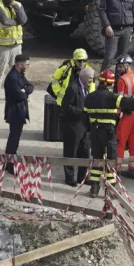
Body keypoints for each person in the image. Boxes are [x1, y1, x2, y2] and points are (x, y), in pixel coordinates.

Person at [83, 69, 134, 195]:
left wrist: (89, 131)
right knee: (111, 161)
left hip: (95, 133)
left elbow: (84, 117)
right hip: (109, 133)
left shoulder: (89, 97)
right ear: (110, 84)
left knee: (96, 160)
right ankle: (111, 190)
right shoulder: (112, 97)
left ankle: (94, 188)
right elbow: (128, 102)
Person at [52, 52, 94, 186]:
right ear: (83, 77)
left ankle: (83, 176)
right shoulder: (73, 88)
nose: (92, 82)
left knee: (85, 152)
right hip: (72, 125)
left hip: (84, 126)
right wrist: (81, 112)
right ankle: (70, 178)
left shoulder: (87, 88)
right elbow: (66, 106)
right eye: (90, 79)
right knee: (71, 152)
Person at [4, 53, 34, 159]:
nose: (28, 66)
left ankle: (10, 159)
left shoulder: (20, 74)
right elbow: (19, 95)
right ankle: (9, 162)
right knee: (13, 139)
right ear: (20, 64)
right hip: (14, 112)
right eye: (27, 64)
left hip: (19, 111)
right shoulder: (12, 77)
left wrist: (24, 90)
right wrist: (25, 94)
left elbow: (31, 86)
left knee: (15, 138)